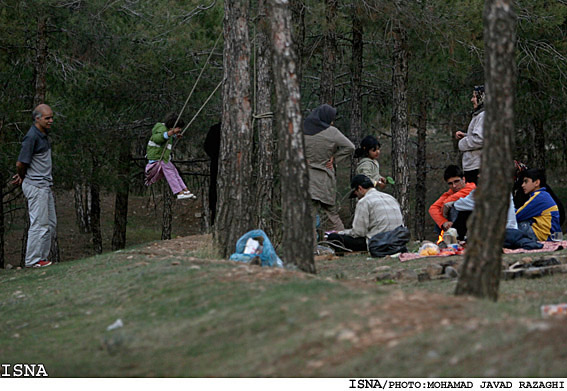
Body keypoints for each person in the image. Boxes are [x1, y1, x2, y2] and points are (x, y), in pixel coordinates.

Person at [11, 104, 57, 268]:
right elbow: (21, 162)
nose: (51, 120)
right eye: (47, 118)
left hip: (44, 185)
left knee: (50, 223)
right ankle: (32, 260)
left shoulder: (43, 135)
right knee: (39, 224)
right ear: (37, 119)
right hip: (36, 186)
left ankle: (42, 258)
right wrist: (23, 176)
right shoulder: (32, 137)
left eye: (52, 117)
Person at [303, 104, 355, 238]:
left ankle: (311, 249)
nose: (332, 122)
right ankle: (342, 243)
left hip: (308, 180)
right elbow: (350, 147)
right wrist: (335, 159)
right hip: (326, 178)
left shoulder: (303, 130)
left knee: (309, 217)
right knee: (332, 215)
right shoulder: (332, 132)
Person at [327, 175, 404, 252]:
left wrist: (341, 233)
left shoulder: (364, 201)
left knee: (333, 237)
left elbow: (359, 232)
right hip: (398, 240)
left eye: (356, 193)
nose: (357, 197)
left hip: (378, 243)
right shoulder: (390, 198)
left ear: (360, 189)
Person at [145, 113, 196, 200]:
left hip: (163, 159)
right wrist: (170, 133)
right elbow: (158, 138)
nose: (179, 130)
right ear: (172, 127)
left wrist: (175, 135)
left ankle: (185, 190)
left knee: (175, 172)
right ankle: (178, 191)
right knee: (170, 174)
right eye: (178, 128)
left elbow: (168, 136)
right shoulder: (161, 128)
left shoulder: (169, 131)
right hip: (157, 158)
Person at [428, 165, 476, 235]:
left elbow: (447, 202)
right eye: (450, 183)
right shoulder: (450, 192)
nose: (454, 186)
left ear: (463, 179)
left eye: (456, 181)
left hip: (469, 226)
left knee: (453, 207)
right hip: (455, 225)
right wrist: (443, 222)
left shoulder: (471, 188)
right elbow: (433, 208)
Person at [515, 168, 561, 241]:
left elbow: (517, 215)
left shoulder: (539, 197)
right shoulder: (544, 195)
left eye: (526, 181)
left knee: (515, 224)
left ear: (536, 183)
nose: (522, 185)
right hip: (554, 236)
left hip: (546, 237)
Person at [455, 85, 485, 184]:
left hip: (478, 167)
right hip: (475, 165)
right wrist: (466, 135)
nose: (472, 100)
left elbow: (480, 139)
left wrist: (462, 143)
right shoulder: (480, 115)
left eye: (475, 97)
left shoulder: (484, 115)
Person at [204, 122, 221, 225]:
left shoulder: (215, 128)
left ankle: (214, 220)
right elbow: (207, 147)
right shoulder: (215, 129)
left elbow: (207, 146)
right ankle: (214, 221)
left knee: (215, 189)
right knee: (215, 189)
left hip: (216, 163)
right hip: (217, 163)